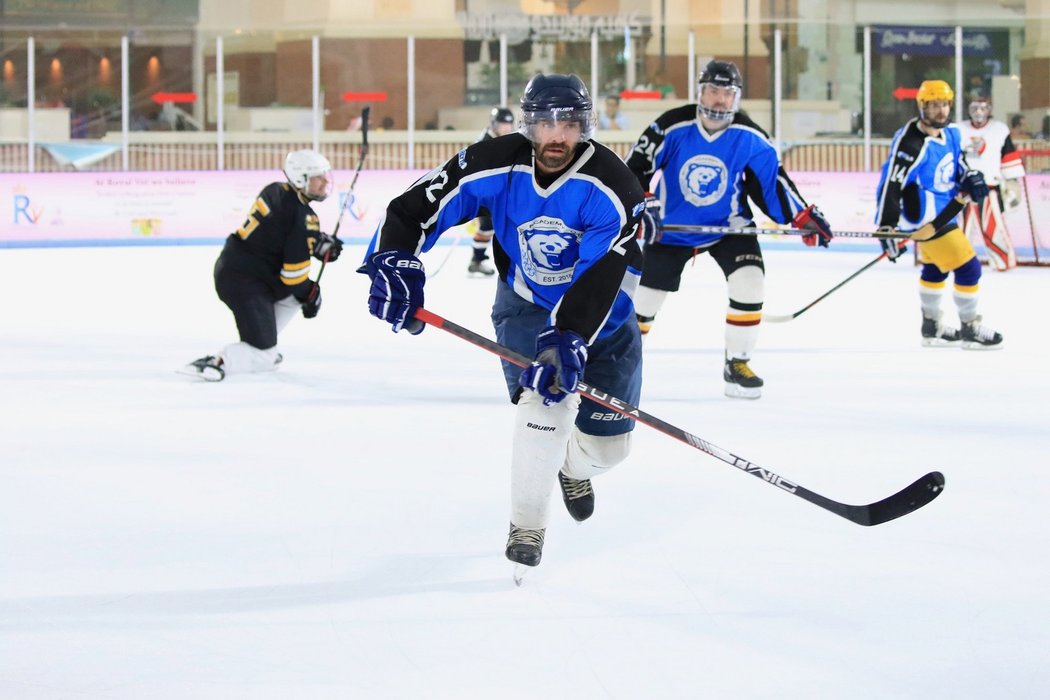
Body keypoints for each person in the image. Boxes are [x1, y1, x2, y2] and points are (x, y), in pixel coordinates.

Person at [362, 74, 645, 573]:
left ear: (587, 126)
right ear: (527, 124)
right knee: (545, 402)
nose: (558, 136)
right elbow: (413, 209)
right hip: (524, 305)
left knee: (609, 450)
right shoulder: (492, 159)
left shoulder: (614, 184)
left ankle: (571, 467)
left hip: (604, 318)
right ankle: (527, 526)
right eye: (545, 124)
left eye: (571, 124)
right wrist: (394, 259)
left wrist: (570, 336)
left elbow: (600, 278)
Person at [624, 59, 833, 399]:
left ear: (736, 97)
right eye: (713, 91)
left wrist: (801, 216)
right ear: (700, 92)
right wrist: (644, 202)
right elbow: (635, 169)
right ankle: (620, 363)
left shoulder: (750, 135)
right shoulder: (670, 126)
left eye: (727, 93)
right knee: (644, 302)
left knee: (750, 283)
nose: (720, 100)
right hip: (672, 231)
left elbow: (774, 182)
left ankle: (737, 363)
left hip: (728, 227)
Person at [180, 149, 343, 381]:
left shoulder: (276, 190)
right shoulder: (303, 217)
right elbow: (293, 277)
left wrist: (315, 241)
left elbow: (280, 230)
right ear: (300, 178)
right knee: (266, 353)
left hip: (239, 269)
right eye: (318, 176)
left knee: (293, 299)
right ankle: (222, 361)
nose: (325, 181)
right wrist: (312, 292)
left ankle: (262, 344)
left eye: (325, 175)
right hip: (246, 282)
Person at [874, 80, 1002, 350]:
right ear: (922, 106)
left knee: (936, 268)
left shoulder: (952, 133)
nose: (941, 111)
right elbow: (891, 184)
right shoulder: (910, 144)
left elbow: (959, 164)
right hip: (926, 217)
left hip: (945, 210)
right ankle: (970, 327)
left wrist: (971, 176)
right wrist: (886, 225)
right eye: (934, 105)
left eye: (944, 104)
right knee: (969, 268)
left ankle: (931, 326)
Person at [956, 95, 1027, 270]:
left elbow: (1008, 156)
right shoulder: (957, 129)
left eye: (983, 108)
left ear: (990, 110)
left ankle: (1003, 261)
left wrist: (1012, 182)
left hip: (989, 188)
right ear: (968, 110)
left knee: (992, 229)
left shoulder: (999, 129)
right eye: (974, 108)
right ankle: (956, 262)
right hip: (961, 190)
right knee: (958, 229)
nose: (979, 112)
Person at [467, 107, 517, 276]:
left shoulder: (508, 140)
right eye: (504, 124)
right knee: (488, 226)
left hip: (501, 192)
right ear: (495, 124)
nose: (507, 128)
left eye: (509, 124)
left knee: (500, 226)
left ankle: (479, 259)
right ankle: (477, 259)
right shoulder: (484, 143)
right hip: (486, 193)